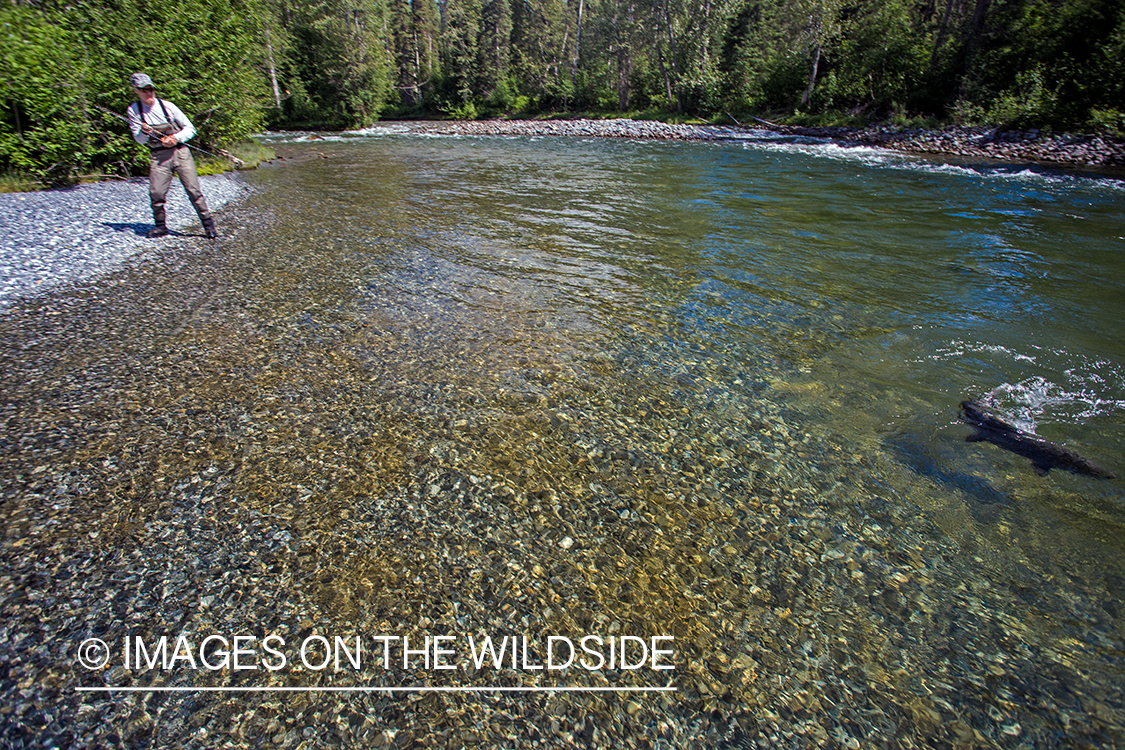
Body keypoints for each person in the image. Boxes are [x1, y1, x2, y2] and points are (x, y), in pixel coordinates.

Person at [126, 73, 218, 239]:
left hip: (180, 152)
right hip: (158, 156)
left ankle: (208, 226)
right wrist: (144, 132)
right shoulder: (134, 110)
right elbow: (139, 141)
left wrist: (176, 138)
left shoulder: (168, 106)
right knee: (156, 193)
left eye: (151, 89)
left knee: (193, 190)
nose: (149, 93)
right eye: (144, 90)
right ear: (135, 90)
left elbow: (190, 129)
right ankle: (161, 226)